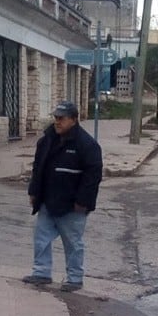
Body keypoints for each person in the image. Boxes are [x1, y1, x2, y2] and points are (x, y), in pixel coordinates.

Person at [23, 100, 102, 292]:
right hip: (47, 201)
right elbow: (38, 168)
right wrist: (34, 191)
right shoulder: (47, 140)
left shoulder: (87, 145)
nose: (57, 122)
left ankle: (74, 278)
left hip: (72, 205)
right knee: (41, 238)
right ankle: (41, 273)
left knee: (73, 242)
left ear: (74, 120)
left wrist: (83, 201)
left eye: (62, 118)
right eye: (56, 118)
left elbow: (93, 176)